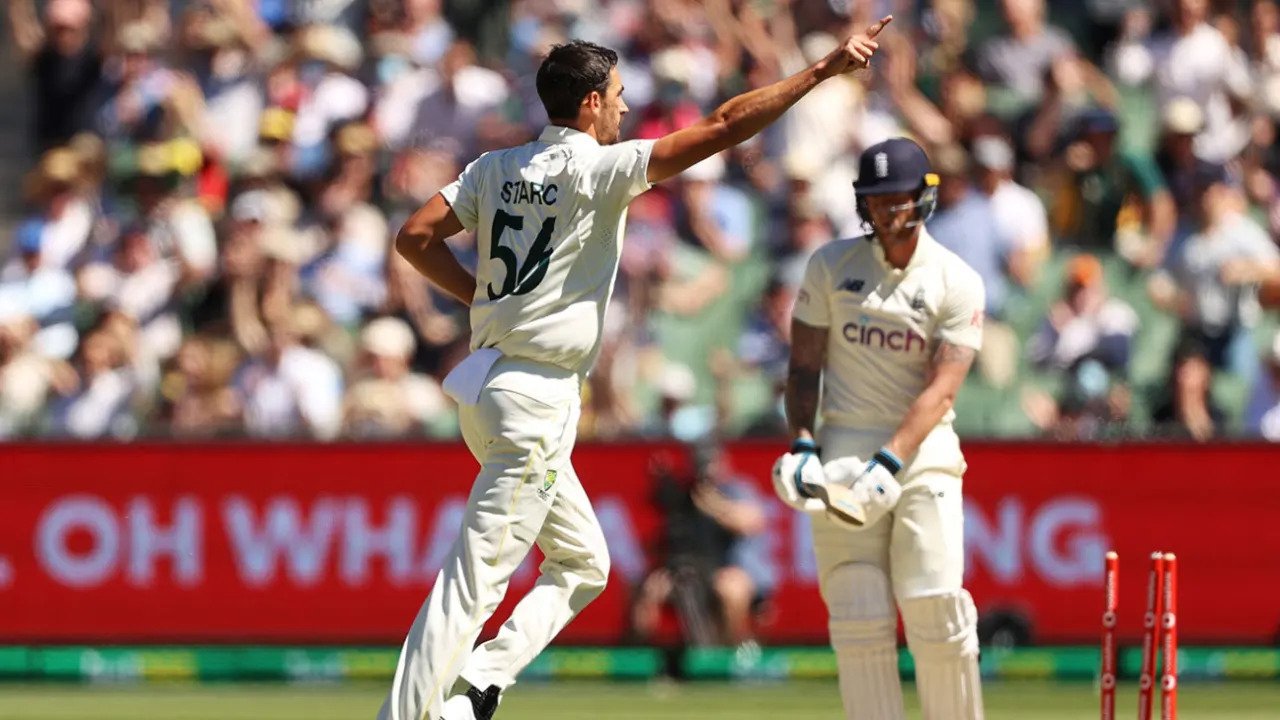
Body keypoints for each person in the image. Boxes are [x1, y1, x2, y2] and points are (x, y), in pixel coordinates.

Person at [380, 17, 894, 720]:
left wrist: (484, 296)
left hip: (493, 382)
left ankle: (474, 690)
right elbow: (720, 126)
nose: (625, 109)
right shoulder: (602, 169)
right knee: (473, 582)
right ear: (590, 103)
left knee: (585, 563)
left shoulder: (492, 168)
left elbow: (414, 236)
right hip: (535, 392)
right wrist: (819, 72)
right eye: (618, 96)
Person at [772, 137, 985, 719]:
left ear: (924, 198)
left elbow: (942, 388)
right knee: (857, 609)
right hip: (842, 449)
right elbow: (804, 367)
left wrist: (891, 459)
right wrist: (802, 445)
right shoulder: (829, 265)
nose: (888, 212)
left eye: (898, 200)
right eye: (876, 200)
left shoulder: (955, 280)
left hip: (923, 456)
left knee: (936, 606)